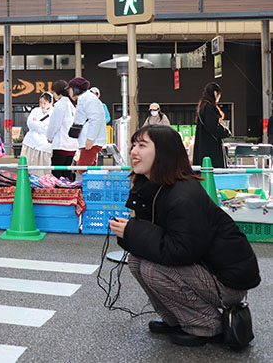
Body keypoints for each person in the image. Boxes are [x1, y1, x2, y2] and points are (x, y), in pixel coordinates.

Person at [109, 125, 260, 347]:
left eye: (142, 145)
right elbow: (159, 239)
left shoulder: (183, 194)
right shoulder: (152, 187)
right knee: (136, 260)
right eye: (133, 145)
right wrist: (132, 232)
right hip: (203, 269)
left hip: (227, 283)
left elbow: (182, 250)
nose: (133, 151)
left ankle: (206, 324)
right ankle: (176, 319)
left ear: (163, 152)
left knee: (152, 269)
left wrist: (132, 231)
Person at [67, 77, 106, 173]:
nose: (69, 93)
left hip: (91, 142)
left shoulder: (89, 99)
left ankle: (89, 183)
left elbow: (95, 119)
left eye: (70, 90)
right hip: (90, 141)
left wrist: (90, 138)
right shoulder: (86, 99)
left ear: (75, 90)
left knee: (83, 170)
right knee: (89, 169)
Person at [192, 82, 231, 168]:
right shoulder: (209, 107)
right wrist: (226, 131)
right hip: (211, 150)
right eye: (219, 94)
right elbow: (214, 128)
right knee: (214, 172)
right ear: (215, 93)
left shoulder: (202, 106)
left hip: (203, 149)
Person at [45, 80, 77, 181]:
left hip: (61, 144)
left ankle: (58, 191)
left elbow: (54, 124)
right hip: (72, 145)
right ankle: (69, 189)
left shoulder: (60, 105)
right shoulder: (72, 104)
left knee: (57, 173)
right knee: (67, 173)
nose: (53, 95)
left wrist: (49, 137)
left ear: (57, 92)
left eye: (53, 92)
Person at [20, 92, 53, 176]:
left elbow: (50, 129)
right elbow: (30, 123)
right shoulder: (35, 110)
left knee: (42, 169)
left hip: (44, 145)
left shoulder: (53, 112)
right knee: (27, 166)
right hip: (30, 142)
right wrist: (43, 125)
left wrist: (37, 124)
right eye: (41, 102)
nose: (42, 105)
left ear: (50, 103)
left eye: (45, 103)